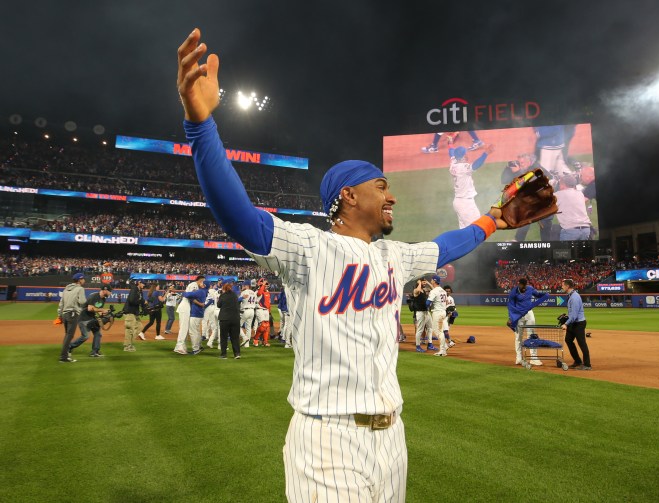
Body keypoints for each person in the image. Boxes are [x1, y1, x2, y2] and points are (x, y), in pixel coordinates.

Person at [177, 28, 507, 500]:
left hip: (393, 436)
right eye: (381, 186)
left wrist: (492, 220)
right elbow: (238, 217)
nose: (391, 195)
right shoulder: (308, 248)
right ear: (348, 195)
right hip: (327, 437)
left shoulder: (393, 255)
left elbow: (447, 245)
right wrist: (200, 126)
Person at [449, 144, 494, 229]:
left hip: (459, 202)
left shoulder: (453, 162)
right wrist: (486, 153)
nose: (467, 155)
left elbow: (451, 152)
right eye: (465, 154)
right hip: (465, 204)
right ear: (462, 157)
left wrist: (450, 143)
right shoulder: (462, 168)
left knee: (464, 230)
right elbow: (475, 165)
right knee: (477, 228)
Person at [507, 278, 549, 366]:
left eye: (524, 285)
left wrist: (545, 294)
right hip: (518, 315)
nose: (522, 286)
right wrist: (511, 317)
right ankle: (519, 358)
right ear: (518, 284)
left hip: (529, 313)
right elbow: (510, 305)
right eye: (521, 284)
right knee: (518, 337)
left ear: (526, 284)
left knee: (532, 335)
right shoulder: (514, 292)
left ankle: (533, 358)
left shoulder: (530, 288)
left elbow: (538, 295)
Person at [71, 285, 113, 357]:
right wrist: (102, 310)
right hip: (84, 319)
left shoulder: (103, 299)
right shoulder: (94, 296)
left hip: (92, 319)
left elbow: (98, 311)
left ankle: (95, 351)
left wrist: (106, 313)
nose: (110, 293)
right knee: (85, 336)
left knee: (98, 334)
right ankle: (69, 347)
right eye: (110, 291)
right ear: (105, 290)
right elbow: (90, 308)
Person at [561, 279, 591, 370]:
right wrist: (566, 317)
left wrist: (566, 324)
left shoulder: (574, 297)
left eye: (563, 285)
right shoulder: (571, 295)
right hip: (574, 323)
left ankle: (587, 365)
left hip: (579, 323)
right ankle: (577, 361)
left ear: (567, 286)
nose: (562, 287)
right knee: (568, 340)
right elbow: (572, 314)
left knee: (582, 343)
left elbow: (574, 315)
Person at [57, 272, 87, 363]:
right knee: (69, 336)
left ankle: (65, 354)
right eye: (83, 279)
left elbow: (61, 303)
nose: (84, 280)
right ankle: (64, 356)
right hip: (73, 313)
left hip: (65, 314)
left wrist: (59, 315)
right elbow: (82, 301)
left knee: (67, 335)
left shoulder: (66, 289)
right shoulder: (80, 289)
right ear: (79, 280)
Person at [555, 175, 591, 241]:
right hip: (586, 229)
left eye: (560, 184)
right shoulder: (580, 194)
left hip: (570, 230)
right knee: (579, 251)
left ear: (562, 184)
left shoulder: (559, 194)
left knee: (565, 251)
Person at [182, 276, 207, 355]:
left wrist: (184, 293)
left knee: (193, 332)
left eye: (203, 283)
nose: (201, 283)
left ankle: (196, 349)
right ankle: (199, 346)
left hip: (195, 313)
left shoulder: (200, 291)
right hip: (199, 313)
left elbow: (185, 294)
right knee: (196, 331)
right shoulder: (204, 291)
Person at [174, 279, 199, 354]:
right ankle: (179, 347)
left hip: (185, 307)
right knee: (184, 328)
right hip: (185, 307)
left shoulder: (193, 285)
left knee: (184, 328)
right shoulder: (194, 285)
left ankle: (181, 346)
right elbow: (188, 295)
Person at [217, 280, 241, 359]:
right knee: (235, 337)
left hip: (225, 319)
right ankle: (237, 354)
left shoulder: (222, 296)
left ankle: (223, 354)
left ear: (224, 289)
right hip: (235, 319)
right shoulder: (235, 295)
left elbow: (218, 305)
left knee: (223, 337)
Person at [426, 275, 449, 356]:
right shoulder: (443, 291)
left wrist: (427, 304)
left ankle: (443, 351)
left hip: (437, 313)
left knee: (438, 332)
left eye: (432, 280)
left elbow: (428, 303)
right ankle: (445, 346)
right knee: (441, 331)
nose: (431, 280)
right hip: (443, 312)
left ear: (434, 281)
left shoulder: (434, 291)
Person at [122, 279, 147, 352]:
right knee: (130, 329)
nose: (144, 285)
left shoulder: (140, 291)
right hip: (129, 312)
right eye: (143, 283)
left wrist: (145, 309)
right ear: (139, 283)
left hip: (135, 313)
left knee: (139, 327)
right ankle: (127, 346)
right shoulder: (134, 289)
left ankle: (129, 343)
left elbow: (142, 301)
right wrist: (142, 301)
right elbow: (132, 300)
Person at [412, 278, 436, 352]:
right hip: (420, 313)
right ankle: (418, 346)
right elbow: (418, 290)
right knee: (420, 330)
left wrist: (428, 283)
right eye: (423, 282)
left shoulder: (424, 290)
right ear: (419, 283)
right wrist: (419, 283)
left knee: (430, 328)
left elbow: (433, 289)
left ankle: (430, 344)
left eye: (425, 282)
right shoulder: (416, 290)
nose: (424, 284)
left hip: (427, 312)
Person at [253, 278, 271, 347]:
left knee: (267, 326)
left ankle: (265, 341)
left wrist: (269, 311)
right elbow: (259, 294)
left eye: (266, 285)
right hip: (259, 309)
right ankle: (255, 339)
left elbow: (268, 303)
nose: (266, 286)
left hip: (266, 310)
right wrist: (262, 285)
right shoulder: (257, 291)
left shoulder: (267, 292)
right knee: (262, 326)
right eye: (265, 284)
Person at [239, 280, 257, 347]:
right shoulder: (253, 292)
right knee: (248, 327)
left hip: (245, 311)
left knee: (237, 326)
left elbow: (238, 300)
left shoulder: (244, 292)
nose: (242, 286)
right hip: (252, 311)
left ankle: (244, 338)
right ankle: (247, 344)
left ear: (247, 286)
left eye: (243, 285)